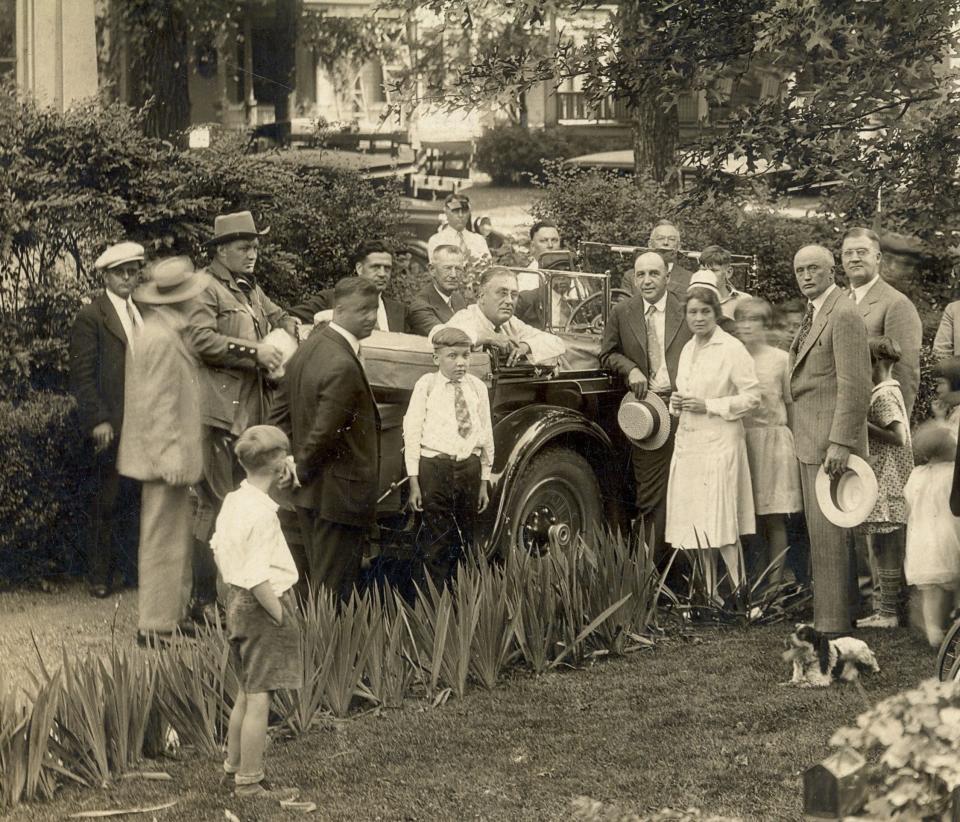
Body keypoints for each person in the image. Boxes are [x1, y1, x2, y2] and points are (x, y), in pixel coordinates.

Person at [187, 211, 298, 623]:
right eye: (243, 247)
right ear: (220, 250)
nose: (253, 254)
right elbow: (199, 339)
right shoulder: (204, 287)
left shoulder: (249, 289)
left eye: (255, 247)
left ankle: (238, 592)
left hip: (249, 415)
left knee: (244, 504)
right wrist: (255, 352)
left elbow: (277, 313)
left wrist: (288, 324)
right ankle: (201, 603)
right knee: (214, 505)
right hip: (216, 415)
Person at [270, 277, 381, 601]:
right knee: (333, 593)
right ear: (340, 310)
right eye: (363, 310)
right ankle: (328, 651)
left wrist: (287, 470)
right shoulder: (342, 362)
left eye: (374, 309)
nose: (371, 317)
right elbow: (324, 433)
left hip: (311, 495)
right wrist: (299, 469)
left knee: (317, 586)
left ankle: (315, 648)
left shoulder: (309, 348)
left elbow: (280, 415)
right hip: (339, 497)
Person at [117, 257, 208, 646]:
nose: (197, 302)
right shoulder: (159, 337)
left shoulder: (165, 332)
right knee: (161, 539)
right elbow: (156, 404)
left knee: (175, 538)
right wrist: (169, 455)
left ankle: (170, 614)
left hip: (169, 454)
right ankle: (154, 625)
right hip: (163, 458)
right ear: (179, 301)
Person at [211, 425, 302, 801]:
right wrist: (279, 614)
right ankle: (249, 781)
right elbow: (258, 575)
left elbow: (218, 546)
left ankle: (233, 768)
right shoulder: (263, 515)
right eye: (286, 456)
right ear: (279, 464)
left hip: (236, 599)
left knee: (246, 693)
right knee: (260, 696)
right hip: (262, 604)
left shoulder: (235, 499)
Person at [790, 244, 871, 636]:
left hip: (829, 444)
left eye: (813, 269)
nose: (805, 276)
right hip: (811, 438)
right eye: (799, 270)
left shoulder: (844, 312)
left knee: (829, 534)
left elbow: (856, 385)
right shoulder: (817, 311)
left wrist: (840, 441)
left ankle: (832, 623)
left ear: (831, 270)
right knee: (827, 532)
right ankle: (842, 612)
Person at [665, 284, 760, 606]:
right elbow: (683, 394)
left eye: (705, 311)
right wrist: (675, 404)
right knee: (697, 522)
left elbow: (752, 398)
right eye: (693, 312)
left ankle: (739, 593)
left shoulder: (731, 348)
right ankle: (709, 594)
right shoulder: (688, 349)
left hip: (720, 445)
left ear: (716, 314)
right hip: (690, 445)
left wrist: (710, 405)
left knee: (721, 521)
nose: (699, 318)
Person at [600, 251, 692, 557]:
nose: (647, 280)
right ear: (633, 278)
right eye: (641, 275)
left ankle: (691, 576)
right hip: (648, 415)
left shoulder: (686, 309)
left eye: (654, 273)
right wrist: (631, 369)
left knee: (692, 493)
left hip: (689, 410)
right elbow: (607, 353)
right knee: (651, 498)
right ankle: (654, 577)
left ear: (668, 276)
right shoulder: (623, 311)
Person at [69, 241, 145, 598]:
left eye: (133, 271)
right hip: (110, 423)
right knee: (106, 499)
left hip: (140, 423)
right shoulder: (91, 316)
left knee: (134, 496)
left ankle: (130, 571)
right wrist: (98, 419)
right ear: (105, 276)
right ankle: (99, 576)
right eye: (120, 272)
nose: (128, 278)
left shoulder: (140, 312)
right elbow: (82, 376)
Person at [403, 328, 494, 586]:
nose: (461, 362)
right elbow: (412, 433)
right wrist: (414, 482)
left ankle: (460, 605)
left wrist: (484, 481)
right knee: (436, 540)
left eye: (466, 355)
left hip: (469, 468)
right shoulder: (427, 385)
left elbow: (486, 435)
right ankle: (433, 606)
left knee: (465, 539)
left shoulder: (477, 388)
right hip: (435, 468)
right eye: (452, 356)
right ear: (437, 359)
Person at [734, 298, 802, 589]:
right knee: (749, 518)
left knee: (774, 516)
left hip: (773, 443)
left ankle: (775, 585)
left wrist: (799, 444)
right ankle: (754, 584)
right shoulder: (732, 356)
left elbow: (791, 404)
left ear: (765, 326)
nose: (747, 327)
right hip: (742, 442)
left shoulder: (779, 359)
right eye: (742, 321)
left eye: (754, 321)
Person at [857, 337, 914, 628]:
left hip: (888, 477)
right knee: (881, 545)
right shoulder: (884, 391)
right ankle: (885, 610)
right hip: (883, 474)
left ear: (876, 363)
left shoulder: (884, 394)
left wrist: (860, 423)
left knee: (887, 545)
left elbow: (898, 436)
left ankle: (889, 612)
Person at [843, 226, 922, 417]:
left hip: (872, 422)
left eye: (862, 252)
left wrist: (895, 430)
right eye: (848, 253)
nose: (854, 258)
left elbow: (904, 373)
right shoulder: (841, 300)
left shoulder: (896, 304)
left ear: (878, 258)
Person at [433, 267, 566, 367]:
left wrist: (525, 346)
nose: (509, 301)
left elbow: (557, 343)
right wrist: (490, 337)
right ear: (481, 295)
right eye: (502, 293)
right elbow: (438, 337)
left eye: (513, 294)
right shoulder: (467, 317)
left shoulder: (512, 323)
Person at [904, 422, 960, 647]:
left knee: (931, 594)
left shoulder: (917, 474)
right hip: (950, 537)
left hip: (922, 541)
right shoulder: (952, 475)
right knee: (958, 584)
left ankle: (934, 632)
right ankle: (957, 626)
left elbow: (908, 504)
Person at [290, 239, 411, 332]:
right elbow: (289, 320)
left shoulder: (399, 311)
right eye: (375, 267)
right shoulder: (331, 299)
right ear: (359, 268)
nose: (382, 274)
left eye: (387, 268)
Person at [407, 245, 469, 337]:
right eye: (447, 268)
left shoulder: (457, 298)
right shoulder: (420, 305)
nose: (453, 275)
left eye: (458, 269)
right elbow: (447, 338)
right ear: (432, 270)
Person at [622, 221, 695, 297]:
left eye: (671, 239)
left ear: (678, 246)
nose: (666, 243)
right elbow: (623, 307)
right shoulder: (631, 276)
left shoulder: (690, 278)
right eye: (660, 238)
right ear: (650, 244)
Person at [426, 193, 491, 262]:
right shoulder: (437, 241)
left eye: (464, 210)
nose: (460, 215)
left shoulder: (479, 240)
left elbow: (488, 268)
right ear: (446, 212)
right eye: (455, 210)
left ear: (469, 213)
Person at [700, 245, 752, 319]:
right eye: (703, 270)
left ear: (728, 272)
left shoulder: (745, 301)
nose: (707, 275)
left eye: (713, 270)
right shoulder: (692, 302)